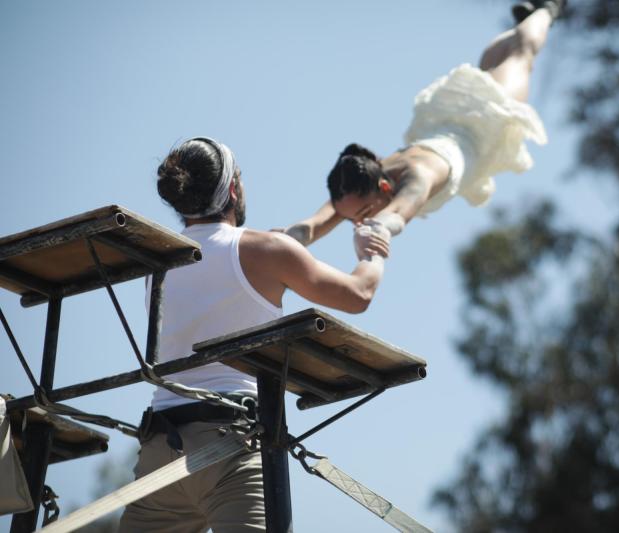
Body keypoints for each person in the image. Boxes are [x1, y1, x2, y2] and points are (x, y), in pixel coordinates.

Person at [118, 137, 390, 532]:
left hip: (161, 449)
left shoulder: (158, 263)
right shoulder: (263, 250)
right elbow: (357, 294)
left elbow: (228, 265)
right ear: (232, 188)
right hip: (232, 441)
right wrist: (372, 253)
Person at [282, 0, 564, 246]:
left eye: (364, 214)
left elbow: (398, 215)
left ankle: (548, 9)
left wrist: (378, 233)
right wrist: (287, 237)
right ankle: (528, 20)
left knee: (521, 55)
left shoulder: (419, 177)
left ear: (384, 188)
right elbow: (312, 225)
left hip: (483, 122)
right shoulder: (365, 185)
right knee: (491, 60)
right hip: (442, 124)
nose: (358, 222)